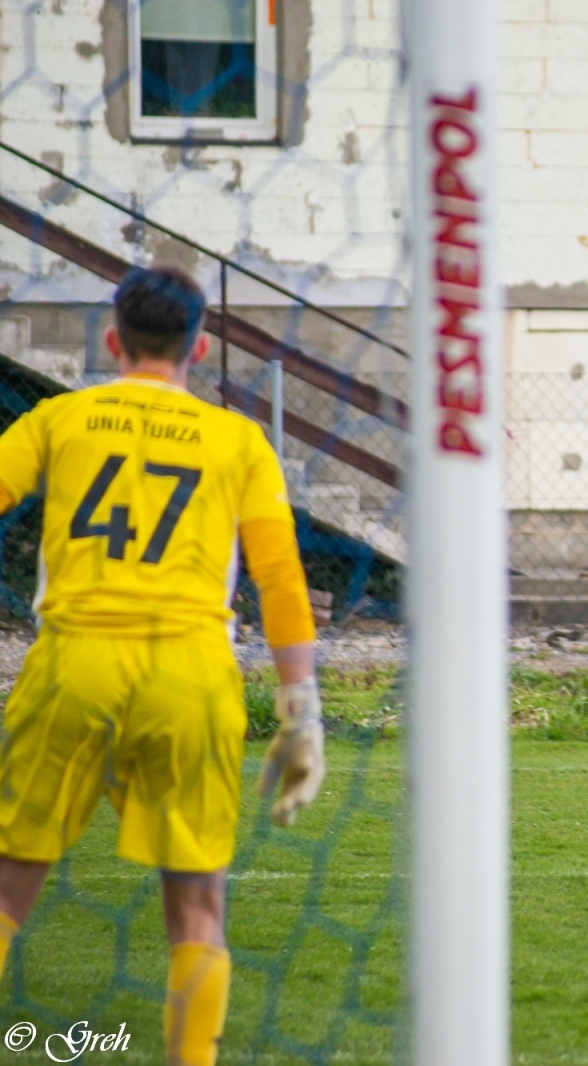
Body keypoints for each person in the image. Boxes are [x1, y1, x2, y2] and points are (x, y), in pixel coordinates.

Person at [0, 266, 326, 1064]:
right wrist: (300, 712)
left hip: (74, 664)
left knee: (7, 892)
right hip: (190, 675)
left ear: (113, 340)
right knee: (198, 910)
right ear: (200, 347)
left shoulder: (61, 418)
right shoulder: (236, 440)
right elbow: (280, 579)